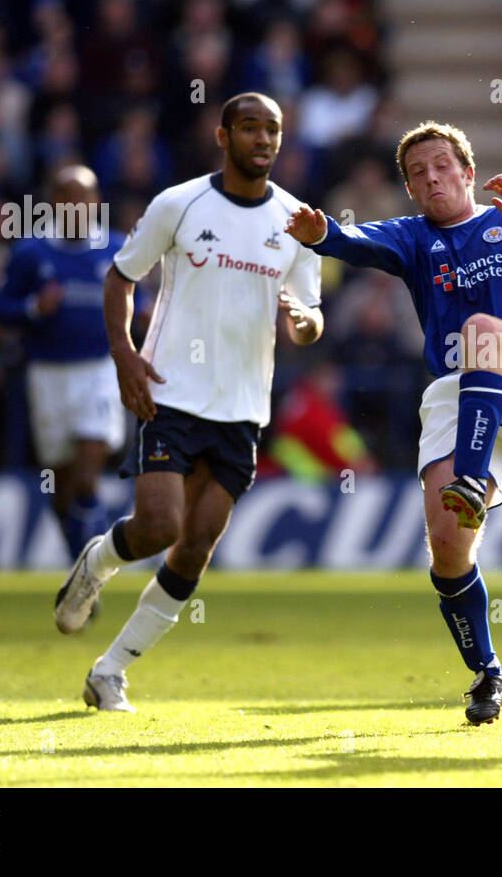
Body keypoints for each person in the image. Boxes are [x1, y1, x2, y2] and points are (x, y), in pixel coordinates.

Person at [285, 121, 502, 725]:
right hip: (456, 401)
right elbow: (357, 240)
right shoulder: (412, 239)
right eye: (416, 172)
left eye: (441, 166)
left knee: (481, 331)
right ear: (409, 188)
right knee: (448, 550)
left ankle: (470, 476)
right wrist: (322, 233)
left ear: (467, 172)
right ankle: (488, 673)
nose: (430, 177)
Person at [53, 93, 324, 712]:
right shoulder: (179, 203)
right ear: (223, 136)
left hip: (243, 408)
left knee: (195, 547)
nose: (263, 139)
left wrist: (305, 322)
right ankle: (98, 562)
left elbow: (310, 316)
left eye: (273, 130)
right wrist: (123, 353)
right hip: (171, 392)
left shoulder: (296, 222)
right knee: (159, 526)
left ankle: (110, 672)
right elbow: (121, 276)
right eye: (250, 128)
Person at [0, 165, 126, 560]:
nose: (76, 206)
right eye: (67, 198)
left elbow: (139, 299)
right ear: (52, 204)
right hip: (48, 375)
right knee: (64, 485)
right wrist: (35, 307)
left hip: (99, 370)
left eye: (83, 198)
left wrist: (144, 313)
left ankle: (95, 570)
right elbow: (1, 309)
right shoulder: (31, 253)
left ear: (96, 202)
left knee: (87, 477)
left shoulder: (115, 249)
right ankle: (78, 561)